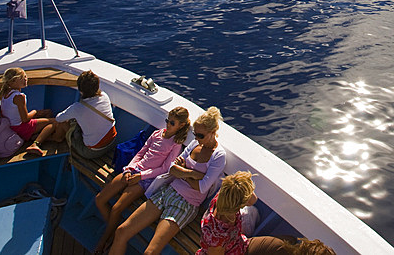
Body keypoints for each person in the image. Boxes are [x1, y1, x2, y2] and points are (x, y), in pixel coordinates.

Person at [108, 107, 226, 255]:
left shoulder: (218, 156)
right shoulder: (195, 144)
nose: (196, 138)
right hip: (167, 191)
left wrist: (181, 172)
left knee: (150, 252)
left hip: (185, 203)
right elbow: (172, 169)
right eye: (195, 134)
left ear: (213, 132)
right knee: (121, 231)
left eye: (200, 135)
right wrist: (193, 174)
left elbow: (202, 187)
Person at [92, 107, 191, 255]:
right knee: (99, 199)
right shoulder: (157, 134)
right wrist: (129, 169)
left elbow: (164, 169)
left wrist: (141, 176)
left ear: (181, 125)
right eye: (167, 121)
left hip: (145, 179)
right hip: (133, 170)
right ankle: (113, 232)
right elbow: (141, 153)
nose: (168, 125)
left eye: (172, 123)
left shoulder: (175, 145)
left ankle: (105, 239)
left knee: (116, 208)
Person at [197, 172, 336, 255]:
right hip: (235, 251)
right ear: (239, 204)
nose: (253, 194)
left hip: (237, 243)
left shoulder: (223, 197)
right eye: (249, 193)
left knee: (289, 241)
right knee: (282, 248)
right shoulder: (218, 236)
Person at [28, 71, 116, 159]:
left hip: (91, 152)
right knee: (74, 120)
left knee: (63, 121)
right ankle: (43, 139)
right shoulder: (104, 96)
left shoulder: (77, 108)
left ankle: (53, 138)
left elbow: (59, 118)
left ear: (80, 90)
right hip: (112, 142)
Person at [0, 68, 54, 147]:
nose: (25, 79)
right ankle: (36, 142)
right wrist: (35, 112)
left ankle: (35, 135)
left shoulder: (4, 94)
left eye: (25, 77)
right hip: (21, 128)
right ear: (12, 81)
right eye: (21, 78)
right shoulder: (19, 97)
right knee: (55, 122)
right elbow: (25, 119)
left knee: (47, 112)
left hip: (12, 127)